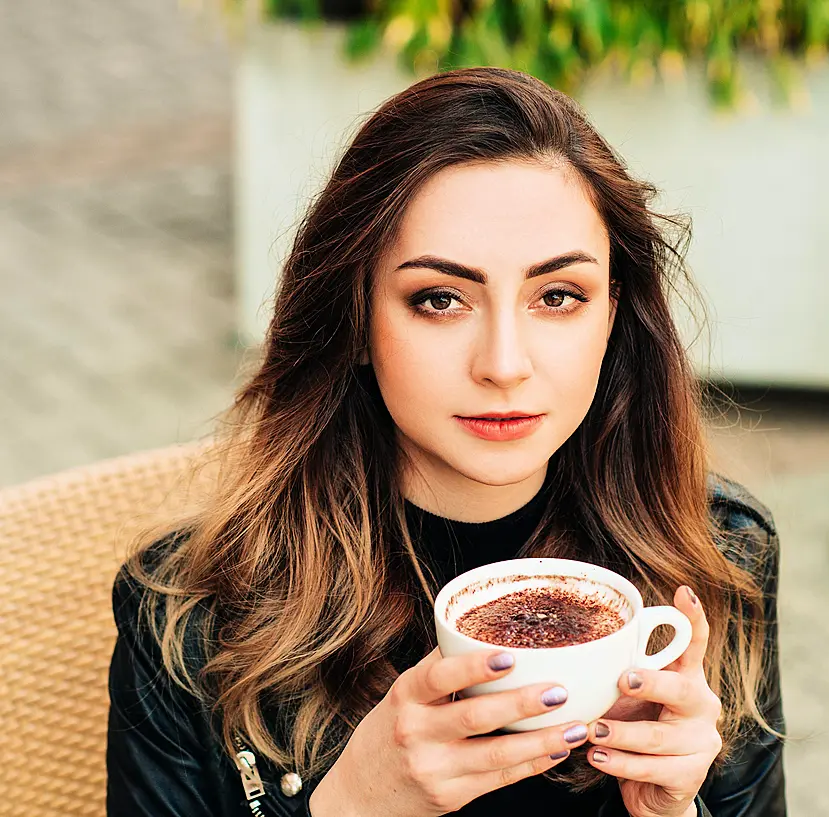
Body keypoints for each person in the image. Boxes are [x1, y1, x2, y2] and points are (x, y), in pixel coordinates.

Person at [106, 66, 786, 817]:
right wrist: (355, 803)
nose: (502, 365)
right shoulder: (191, 616)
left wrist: (669, 813)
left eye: (556, 297)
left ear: (613, 315)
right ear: (357, 320)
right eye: (439, 299)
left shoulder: (714, 552)